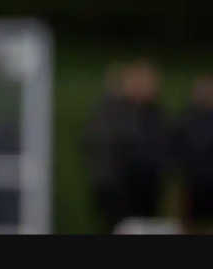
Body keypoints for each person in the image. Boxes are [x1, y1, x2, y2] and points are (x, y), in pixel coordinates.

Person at [83, 60, 169, 233]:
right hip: (119, 190)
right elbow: (105, 149)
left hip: (146, 188)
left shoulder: (153, 112)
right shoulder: (113, 111)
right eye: (143, 81)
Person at [170, 76, 213, 233]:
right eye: (202, 91)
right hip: (190, 183)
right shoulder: (185, 118)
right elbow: (175, 147)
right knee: (188, 224)